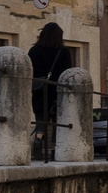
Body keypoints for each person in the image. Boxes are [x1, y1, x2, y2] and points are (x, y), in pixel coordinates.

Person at [27, 23, 74, 153]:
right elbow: (67, 73)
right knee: (57, 121)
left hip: (39, 90)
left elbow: (29, 71)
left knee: (41, 118)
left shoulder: (34, 50)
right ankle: (55, 148)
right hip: (56, 91)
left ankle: (38, 138)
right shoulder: (63, 51)